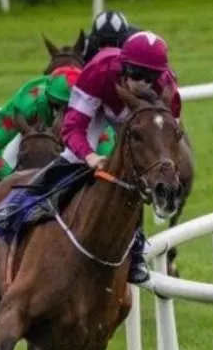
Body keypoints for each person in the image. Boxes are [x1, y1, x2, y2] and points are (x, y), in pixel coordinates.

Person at [0, 66, 116, 257]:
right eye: (56, 106)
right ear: (47, 100)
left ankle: (134, 252)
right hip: (29, 142)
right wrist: (12, 179)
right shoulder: (28, 103)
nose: (61, 115)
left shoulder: (92, 112)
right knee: (6, 183)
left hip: (79, 149)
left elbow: (106, 161)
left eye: (67, 110)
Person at [59, 30, 182, 284]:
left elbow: (170, 139)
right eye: (137, 75)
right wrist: (91, 156)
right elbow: (71, 129)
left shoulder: (168, 89)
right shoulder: (99, 71)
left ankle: (135, 252)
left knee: (136, 174)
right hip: (101, 108)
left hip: (142, 120)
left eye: (151, 78)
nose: (143, 84)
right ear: (123, 68)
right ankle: (28, 208)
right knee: (72, 157)